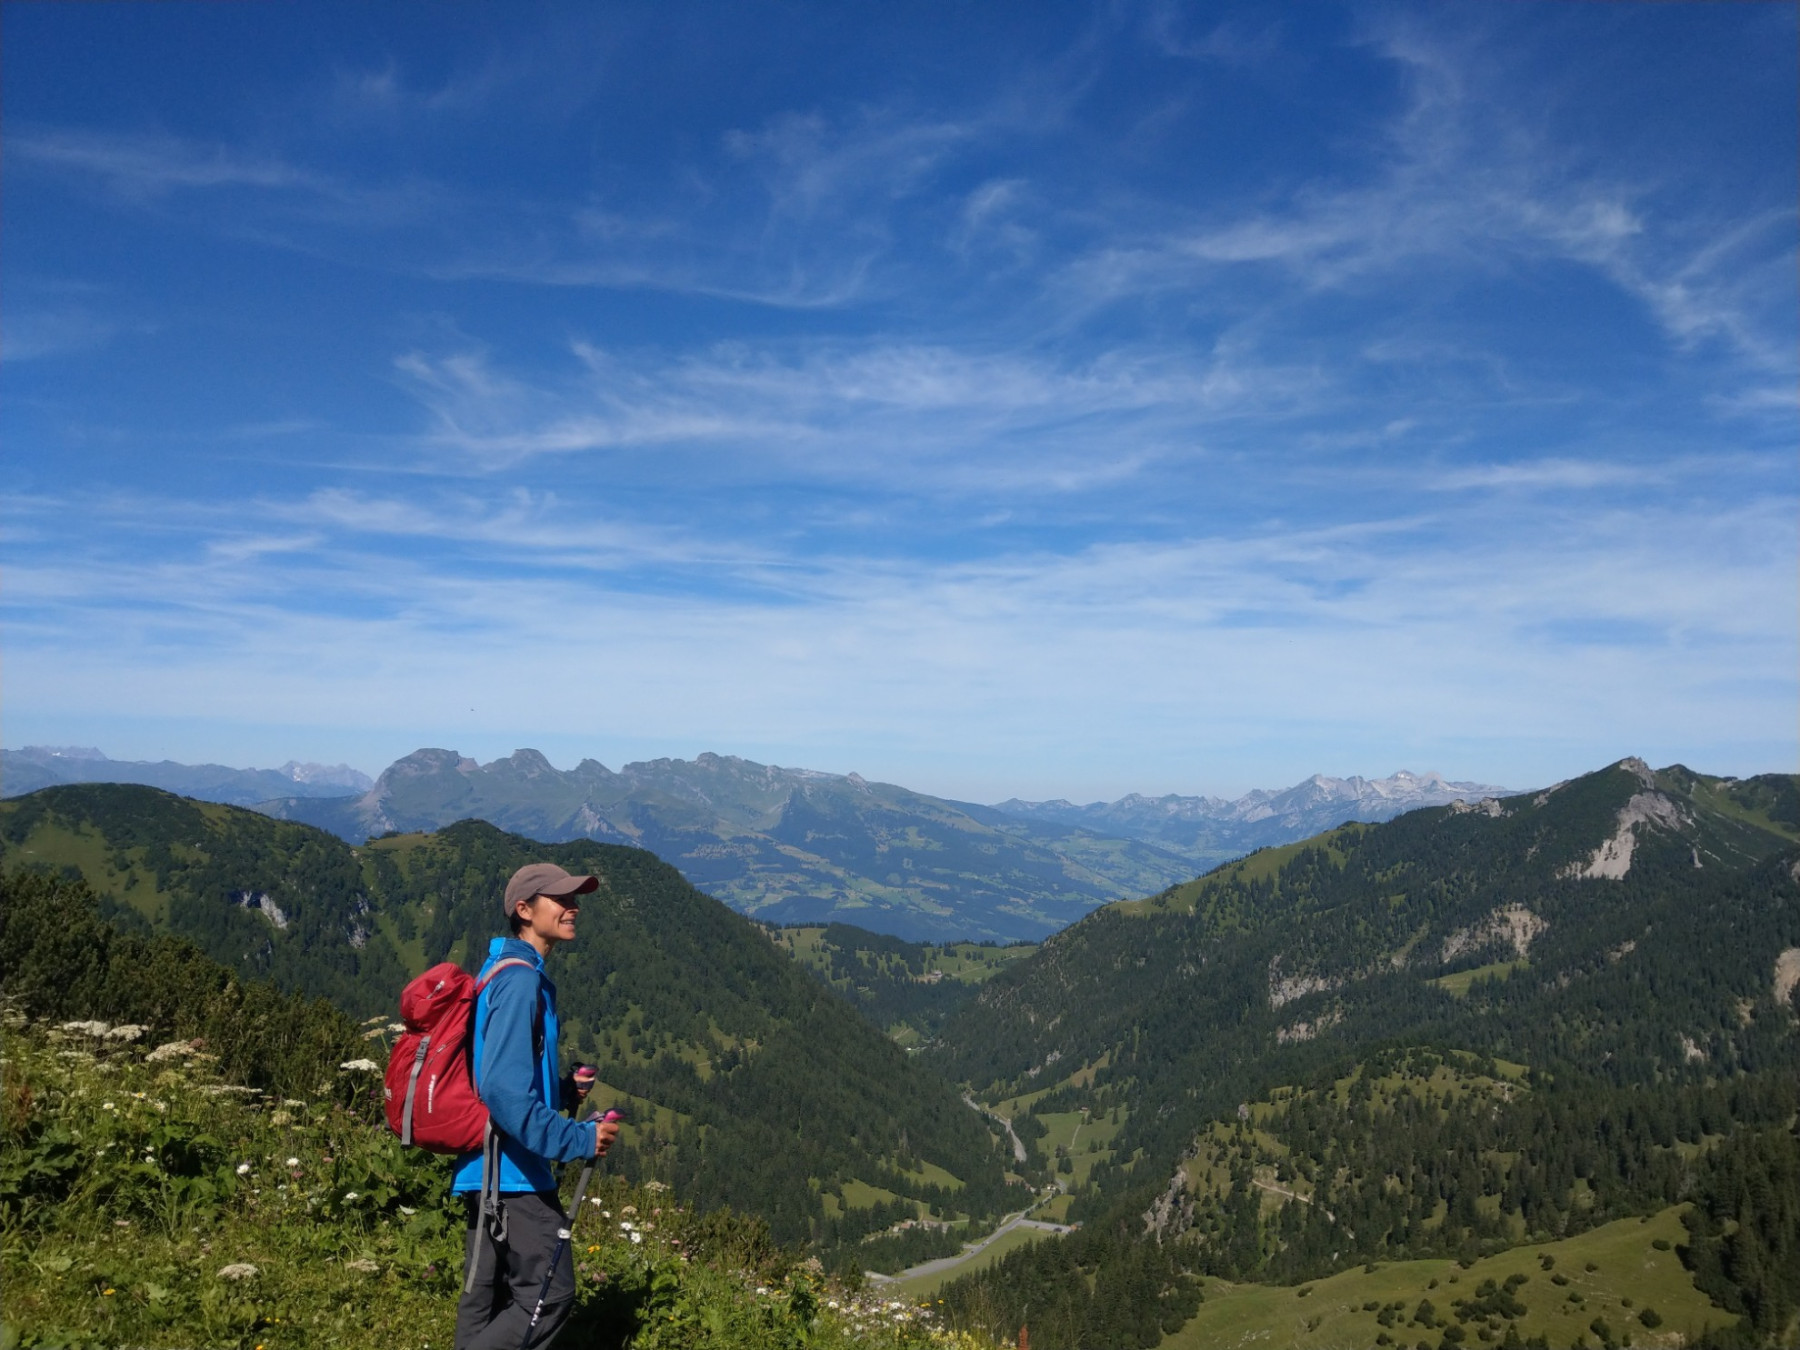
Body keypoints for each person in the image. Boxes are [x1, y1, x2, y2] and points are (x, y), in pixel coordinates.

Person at [453, 862, 622, 1350]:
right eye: (561, 900)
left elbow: (501, 1075)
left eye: (575, 899)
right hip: (515, 1174)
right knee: (549, 1295)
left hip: (486, 1168)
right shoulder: (521, 980)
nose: (574, 908)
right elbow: (504, 1094)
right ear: (524, 910)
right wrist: (580, 1138)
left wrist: (565, 1093)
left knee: (484, 1299)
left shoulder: (501, 971)